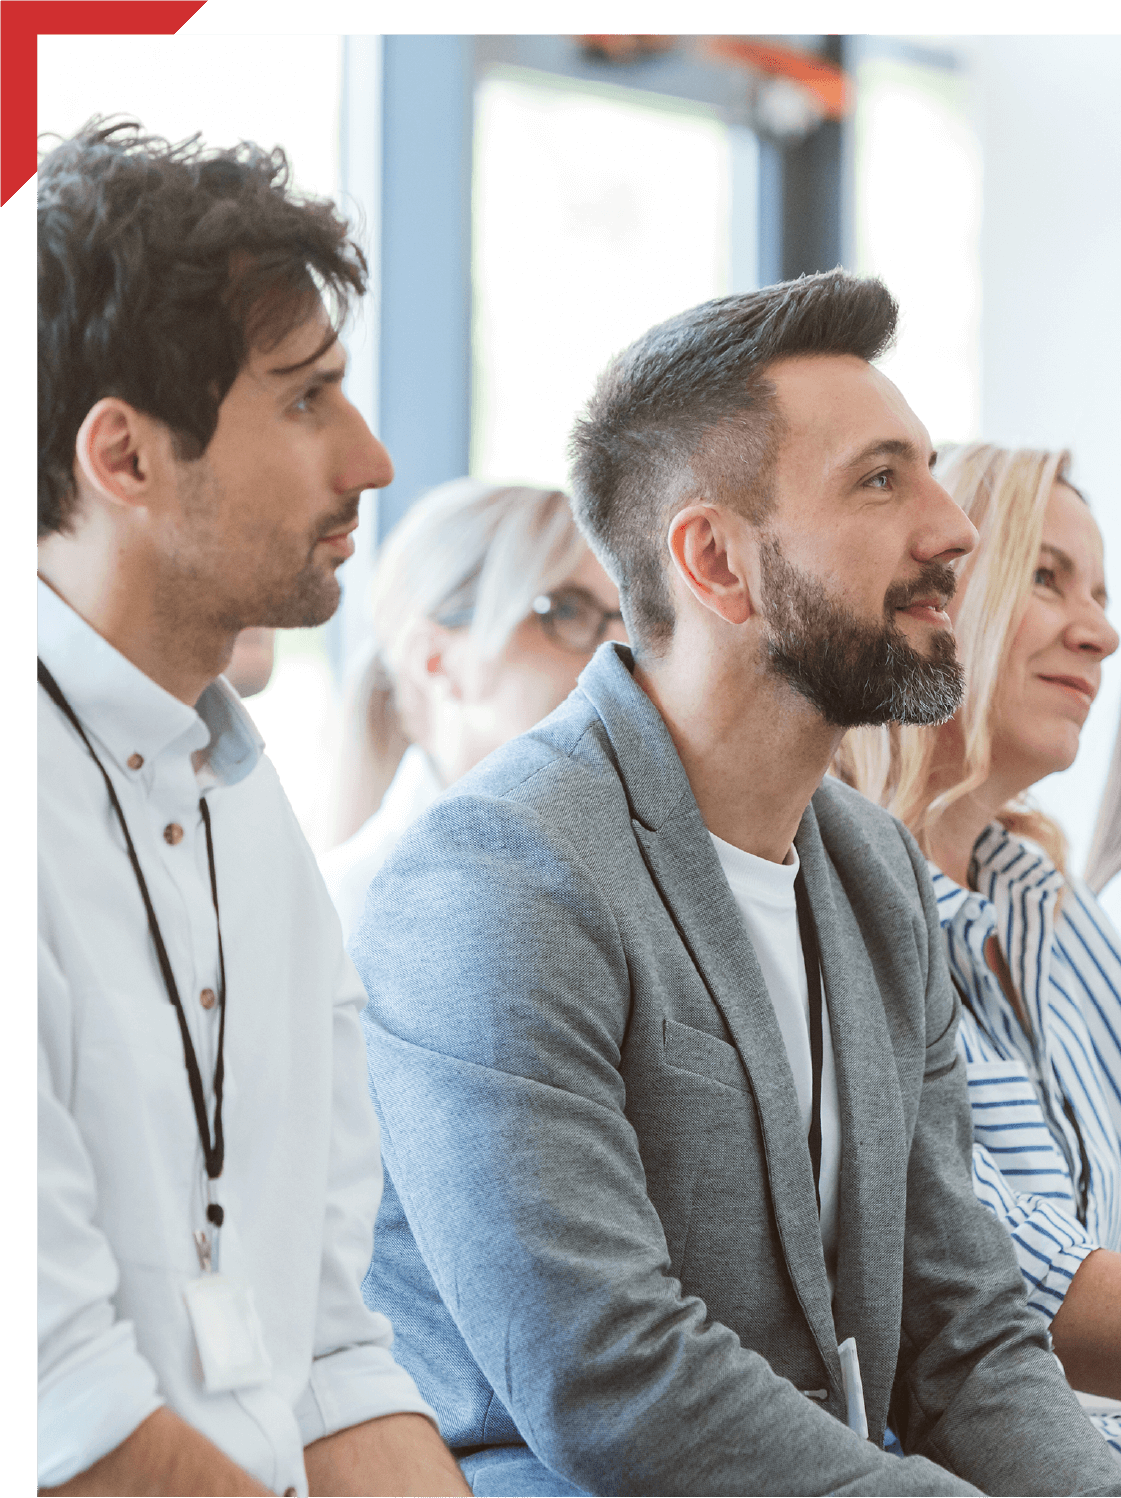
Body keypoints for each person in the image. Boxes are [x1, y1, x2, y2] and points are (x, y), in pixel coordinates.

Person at [350, 270, 1121, 1498]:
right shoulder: (497, 874)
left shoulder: (871, 873)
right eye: (880, 480)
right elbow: (612, 1375)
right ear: (714, 561)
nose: (952, 529)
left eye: (927, 469)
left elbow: (961, 1326)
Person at [37, 120, 471, 1497]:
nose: (373, 457)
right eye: (305, 399)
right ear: (126, 457)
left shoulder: (236, 792)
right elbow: (71, 1424)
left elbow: (331, 1352)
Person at [835, 443, 1121, 1452]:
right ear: (924, 594)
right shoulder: (836, 908)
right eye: (1043, 578)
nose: (1100, 632)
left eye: (1095, 589)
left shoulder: (1046, 904)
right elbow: (988, 1278)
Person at [320, 478, 626, 941]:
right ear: (436, 659)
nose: (618, 651)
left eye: (630, 617)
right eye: (566, 611)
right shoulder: (342, 915)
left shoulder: (640, 884)